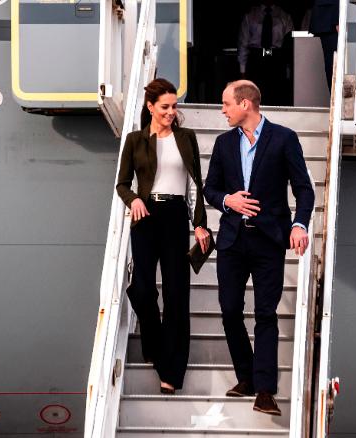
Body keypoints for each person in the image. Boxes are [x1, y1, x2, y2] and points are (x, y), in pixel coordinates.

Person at [203, 80, 315, 415]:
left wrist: (299, 224)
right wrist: (228, 200)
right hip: (232, 241)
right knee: (229, 310)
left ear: (245, 104)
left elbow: (304, 190)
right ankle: (246, 376)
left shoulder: (284, 138)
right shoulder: (224, 144)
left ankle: (265, 390)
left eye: (226, 104)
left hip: (269, 241)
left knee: (265, 314)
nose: (222, 110)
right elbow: (210, 189)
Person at [115, 78, 210, 395]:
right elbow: (122, 184)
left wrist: (199, 223)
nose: (171, 112)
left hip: (174, 217)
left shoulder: (187, 138)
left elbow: (196, 183)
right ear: (151, 106)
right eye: (165, 107)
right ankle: (154, 344)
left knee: (176, 295)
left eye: (174, 106)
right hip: (144, 217)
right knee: (141, 289)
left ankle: (172, 371)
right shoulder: (135, 140)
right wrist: (134, 200)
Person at [237, 0, 294, 106]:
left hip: (276, 59)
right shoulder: (250, 15)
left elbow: (290, 45)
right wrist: (242, 70)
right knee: (255, 96)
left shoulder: (284, 16)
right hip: (256, 59)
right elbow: (243, 44)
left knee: (276, 96)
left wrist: (289, 70)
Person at [309, 0, 339, 90]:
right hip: (329, 18)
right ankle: (335, 100)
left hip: (334, 15)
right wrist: (337, 18)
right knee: (333, 63)